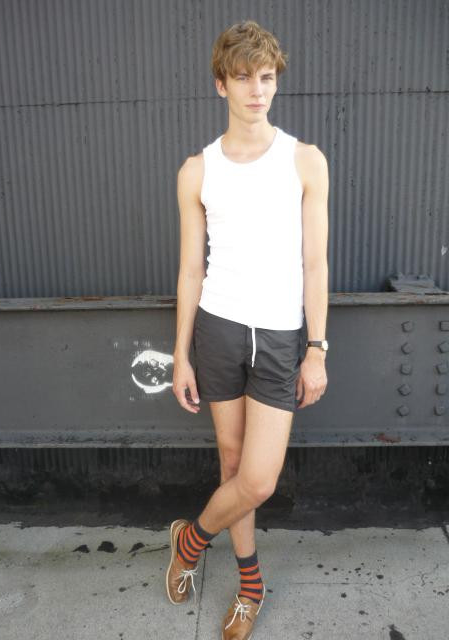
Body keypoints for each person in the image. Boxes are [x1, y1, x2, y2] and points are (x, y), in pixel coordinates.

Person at [168, 19, 329, 639]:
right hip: (218, 328)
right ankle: (249, 583)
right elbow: (190, 269)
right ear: (221, 84)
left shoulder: (305, 161)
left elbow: (315, 264)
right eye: (243, 77)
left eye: (266, 77)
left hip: (281, 336)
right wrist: (181, 355)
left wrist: (316, 349)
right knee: (232, 462)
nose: (257, 90)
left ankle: (190, 539)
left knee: (257, 479)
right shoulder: (197, 170)